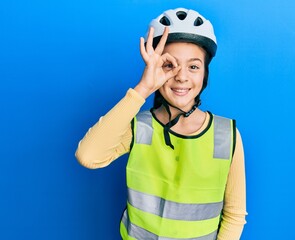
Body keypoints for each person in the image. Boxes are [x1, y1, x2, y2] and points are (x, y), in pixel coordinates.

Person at [76, 7, 247, 240]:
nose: (182, 76)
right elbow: (88, 156)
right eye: (169, 65)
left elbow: (235, 215)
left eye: (193, 66)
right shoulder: (140, 127)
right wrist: (143, 88)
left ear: (205, 72)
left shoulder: (226, 135)